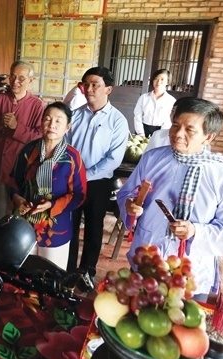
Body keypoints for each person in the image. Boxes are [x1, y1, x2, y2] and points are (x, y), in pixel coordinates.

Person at [117, 98, 223, 299]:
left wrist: (195, 231)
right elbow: (127, 193)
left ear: (209, 137)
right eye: (175, 125)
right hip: (146, 260)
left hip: (190, 273)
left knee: (181, 325)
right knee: (138, 318)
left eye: (190, 130)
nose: (178, 134)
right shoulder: (153, 158)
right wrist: (129, 206)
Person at [66, 66, 130, 290]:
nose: (89, 89)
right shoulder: (75, 115)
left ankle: (87, 272)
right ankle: (69, 270)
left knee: (94, 228)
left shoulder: (118, 121)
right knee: (70, 226)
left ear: (108, 89)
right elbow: (66, 148)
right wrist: (72, 175)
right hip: (72, 182)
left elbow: (113, 159)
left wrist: (86, 175)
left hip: (99, 184)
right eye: (86, 84)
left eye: (95, 84)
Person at [11, 102, 87, 269]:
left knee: (51, 275)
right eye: (47, 119)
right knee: (23, 272)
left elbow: (79, 195)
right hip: (25, 225)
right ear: (41, 123)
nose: (52, 125)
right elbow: (15, 182)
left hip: (56, 229)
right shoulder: (28, 151)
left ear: (67, 127)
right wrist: (18, 199)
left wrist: (51, 205)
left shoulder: (72, 157)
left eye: (58, 121)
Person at [0, 61, 45, 217]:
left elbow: (39, 138)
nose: (15, 81)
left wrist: (16, 127)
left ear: (31, 81)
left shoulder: (38, 106)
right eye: (12, 76)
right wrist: (0, 126)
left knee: (21, 213)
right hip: (0, 166)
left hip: (22, 169)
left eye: (21, 78)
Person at [133, 69, 176, 137]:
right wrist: (141, 133)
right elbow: (137, 116)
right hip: (143, 130)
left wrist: (159, 136)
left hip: (161, 132)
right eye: (156, 79)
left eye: (162, 79)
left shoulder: (171, 101)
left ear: (167, 82)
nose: (158, 82)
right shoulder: (144, 98)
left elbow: (168, 120)